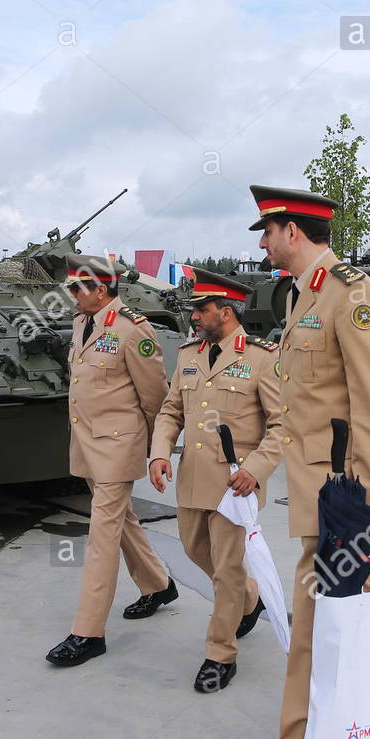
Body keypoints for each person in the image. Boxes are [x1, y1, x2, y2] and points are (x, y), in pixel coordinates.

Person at [248, 185, 370, 739]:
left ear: (292, 232)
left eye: (268, 232)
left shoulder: (353, 295)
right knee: (358, 603)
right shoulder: (306, 295)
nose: (265, 243)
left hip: (339, 496)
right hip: (313, 489)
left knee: (315, 615)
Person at [148, 268, 284, 692]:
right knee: (193, 549)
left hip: (235, 485)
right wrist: (158, 453)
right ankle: (249, 597)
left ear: (226, 312)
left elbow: (282, 426)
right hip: (192, 478)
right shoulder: (189, 353)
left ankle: (219, 654)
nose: (194, 317)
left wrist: (256, 470)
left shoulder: (262, 359)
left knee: (226, 569)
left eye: (202, 310)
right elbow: (171, 410)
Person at [46, 254, 178, 667]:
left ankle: (87, 632)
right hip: (88, 444)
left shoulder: (132, 331)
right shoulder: (82, 323)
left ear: (101, 290)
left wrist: (158, 451)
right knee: (122, 520)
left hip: (119, 447)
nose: (70, 296)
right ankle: (158, 584)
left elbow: (155, 397)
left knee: (101, 535)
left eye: (77, 289)